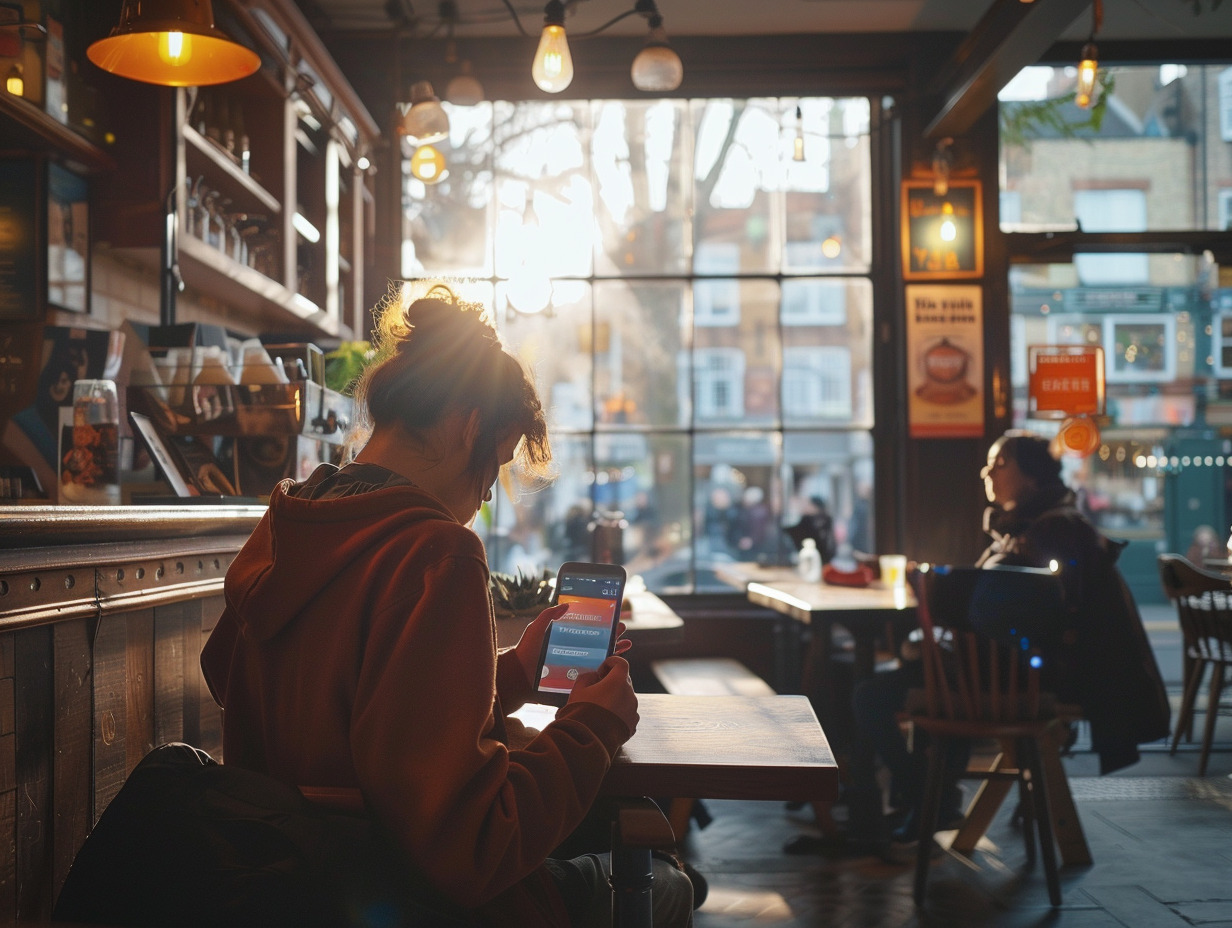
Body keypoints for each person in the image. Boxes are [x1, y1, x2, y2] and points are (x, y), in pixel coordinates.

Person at [201, 282, 693, 927]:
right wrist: (593, 726)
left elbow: (279, 691)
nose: (489, 491)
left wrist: (509, 674)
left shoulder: (294, 519)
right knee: (670, 886)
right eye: (499, 461)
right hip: (408, 898)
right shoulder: (440, 553)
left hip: (286, 886)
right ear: (467, 425)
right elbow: (472, 848)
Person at [803, 430, 1170, 861]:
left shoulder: (1051, 530)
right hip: (1010, 672)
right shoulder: (1041, 523)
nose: (986, 472)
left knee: (870, 697)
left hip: (1028, 680)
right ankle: (931, 801)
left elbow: (1019, 616)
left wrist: (939, 623)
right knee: (926, 680)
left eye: (999, 464)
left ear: (1030, 476)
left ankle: (926, 800)